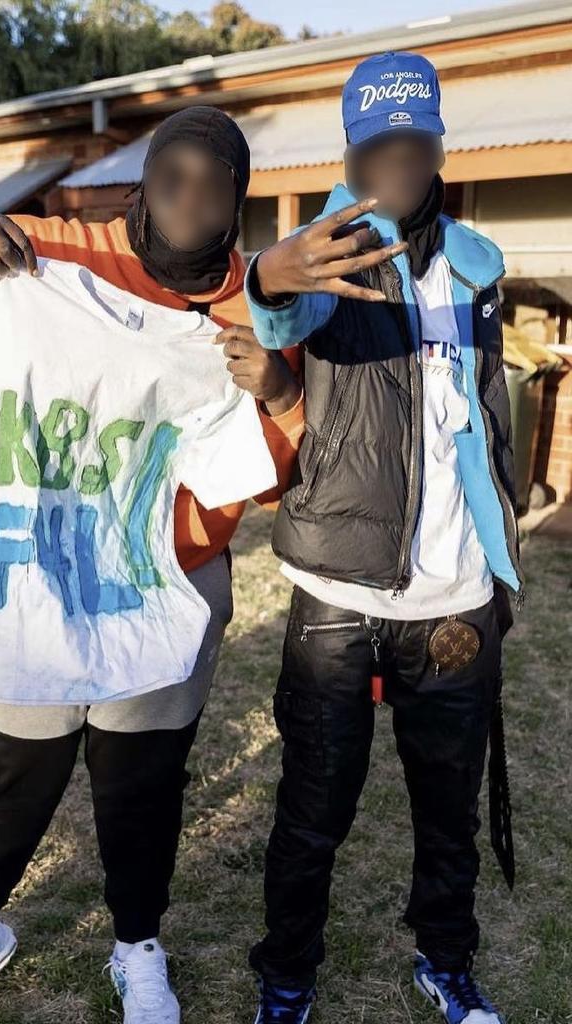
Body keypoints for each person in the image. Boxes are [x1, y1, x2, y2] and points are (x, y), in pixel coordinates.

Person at [0, 105, 401, 1024]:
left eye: (217, 185)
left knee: (143, 780)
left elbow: (268, 472)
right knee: (7, 773)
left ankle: (136, 945)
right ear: (143, 181)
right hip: (31, 572)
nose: (192, 199)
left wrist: (277, 392)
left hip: (163, 580)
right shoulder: (40, 260)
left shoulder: (255, 299)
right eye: (174, 175)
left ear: (237, 203)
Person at [243, 52, 523, 1024]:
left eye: (416, 140)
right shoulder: (328, 247)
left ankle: (446, 961)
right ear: (353, 153)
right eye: (378, 144)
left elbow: (489, 425)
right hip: (339, 595)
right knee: (315, 808)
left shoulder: (480, 267)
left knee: (448, 810)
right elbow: (281, 302)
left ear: (439, 145)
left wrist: (501, 570)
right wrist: (266, 275)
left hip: (453, 601)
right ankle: (287, 978)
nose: (398, 159)